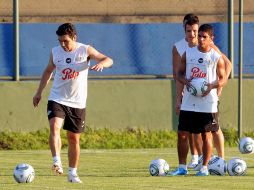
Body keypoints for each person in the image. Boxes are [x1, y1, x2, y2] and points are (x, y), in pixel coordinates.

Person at [32, 23, 113, 183]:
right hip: (57, 98)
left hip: (77, 102)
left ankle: (72, 173)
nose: (62, 44)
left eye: (66, 41)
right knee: (55, 127)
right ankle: (56, 162)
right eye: (60, 41)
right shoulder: (55, 52)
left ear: (74, 37)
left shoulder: (85, 50)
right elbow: (48, 70)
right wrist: (39, 92)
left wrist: (102, 64)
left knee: (73, 139)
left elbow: (108, 59)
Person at [172, 23, 226, 176]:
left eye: (204, 37)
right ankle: (182, 167)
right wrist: (186, 81)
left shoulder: (216, 57)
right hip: (189, 102)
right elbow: (179, 74)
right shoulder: (188, 54)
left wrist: (211, 86)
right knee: (182, 133)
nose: (200, 39)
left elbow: (223, 79)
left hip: (208, 103)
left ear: (211, 39)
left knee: (206, 134)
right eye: (199, 36)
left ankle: (204, 168)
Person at [172, 14, 202, 168]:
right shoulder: (178, 47)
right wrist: (178, 98)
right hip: (187, 93)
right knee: (186, 130)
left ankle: (213, 160)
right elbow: (177, 74)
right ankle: (192, 160)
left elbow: (225, 63)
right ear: (184, 29)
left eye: (194, 30)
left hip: (204, 94)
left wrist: (218, 89)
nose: (192, 33)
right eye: (188, 30)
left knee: (207, 130)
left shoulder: (206, 45)